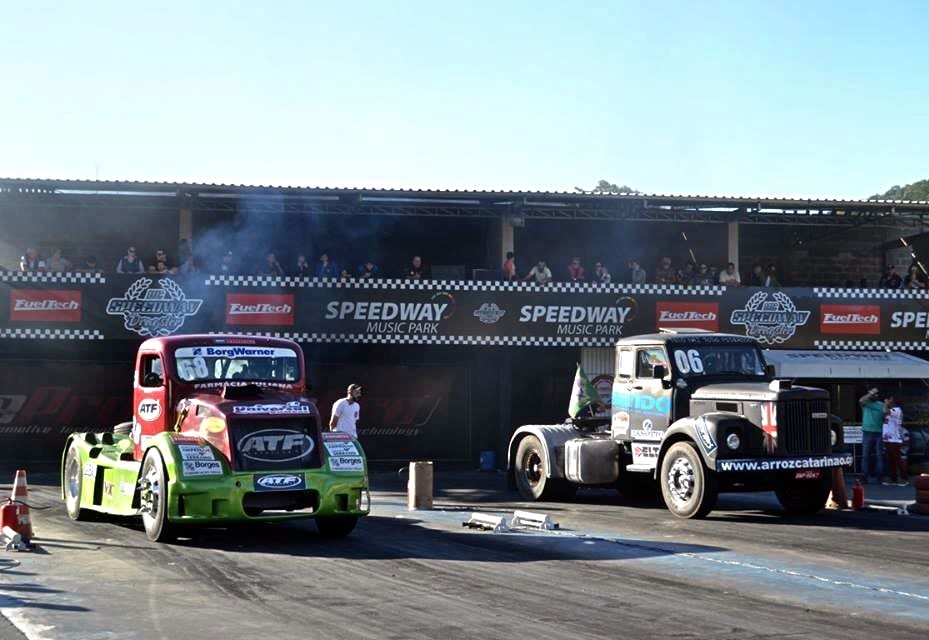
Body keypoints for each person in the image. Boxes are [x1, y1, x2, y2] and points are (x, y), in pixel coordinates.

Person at [859, 387, 887, 484]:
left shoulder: (881, 405)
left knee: (879, 456)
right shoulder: (866, 403)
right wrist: (870, 393)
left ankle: (879, 477)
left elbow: (885, 414)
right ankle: (864, 477)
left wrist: (886, 407)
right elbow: (861, 400)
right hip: (867, 432)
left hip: (878, 432)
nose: (874, 396)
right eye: (872, 394)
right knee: (865, 456)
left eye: (875, 394)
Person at [882, 395, 909, 486]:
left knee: (897, 460)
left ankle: (904, 478)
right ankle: (893, 478)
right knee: (891, 460)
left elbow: (886, 411)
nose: (888, 401)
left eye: (889, 399)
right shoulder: (892, 410)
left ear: (893, 400)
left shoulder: (897, 410)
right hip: (888, 439)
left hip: (894, 439)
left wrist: (886, 404)